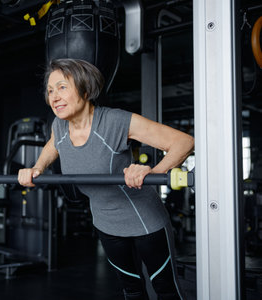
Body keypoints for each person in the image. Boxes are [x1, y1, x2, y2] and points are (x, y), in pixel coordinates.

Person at [18, 59, 194, 299]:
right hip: (106, 224)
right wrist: (36, 167)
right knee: (131, 291)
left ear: (86, 89)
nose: (54, 97)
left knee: (165, 290)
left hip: (145, 221)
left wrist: (153, 172)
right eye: (50, 90)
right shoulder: (59, 126)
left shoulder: (114, 121)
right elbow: (53, 144)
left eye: (62, 87)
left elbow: (184, 142)